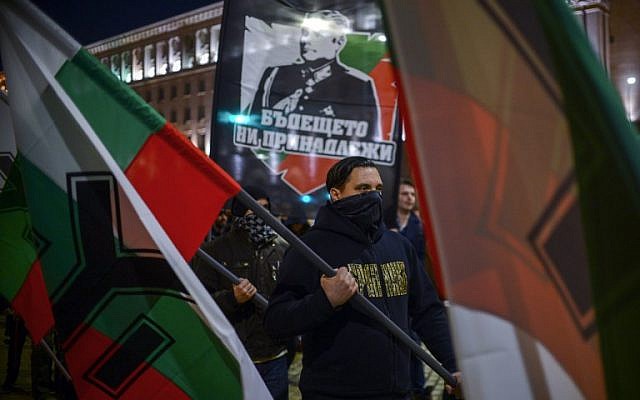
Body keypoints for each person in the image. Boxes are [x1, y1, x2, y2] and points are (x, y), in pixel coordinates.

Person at [265, 156, 460, 399]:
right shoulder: (310, 249)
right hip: (333, 393)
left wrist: (452, 364)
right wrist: (325, 301)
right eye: (363, 189)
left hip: (397, 392)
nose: (373, 196)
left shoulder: (398, 245)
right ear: (336, 194)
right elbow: (277, 321)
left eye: (378, 189)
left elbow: (427, 311)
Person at [192, 186, 288, 400]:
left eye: (265, 209)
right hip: (233, 357)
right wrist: (231, 298)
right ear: (239, 212)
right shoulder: (215, 251)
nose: (261, 215)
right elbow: (198, 303)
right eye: (254, 209)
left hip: (275, 356)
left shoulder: (281, 249)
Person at [250, 10, 381, 140]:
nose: (306, 40)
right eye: (305, 33)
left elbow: (369, 141)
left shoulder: (359, 83)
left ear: (339, 42)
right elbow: (252, 131)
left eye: (318, 34)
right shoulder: (274, 73)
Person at [385, 179, 432, 399]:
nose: (409, 198)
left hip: (410, 285)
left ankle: (418, 389)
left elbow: (421, 256)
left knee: (414, 342)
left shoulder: (418, 224)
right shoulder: (386, 220)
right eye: (405, 194)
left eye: (412, 195)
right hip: (388, 285)